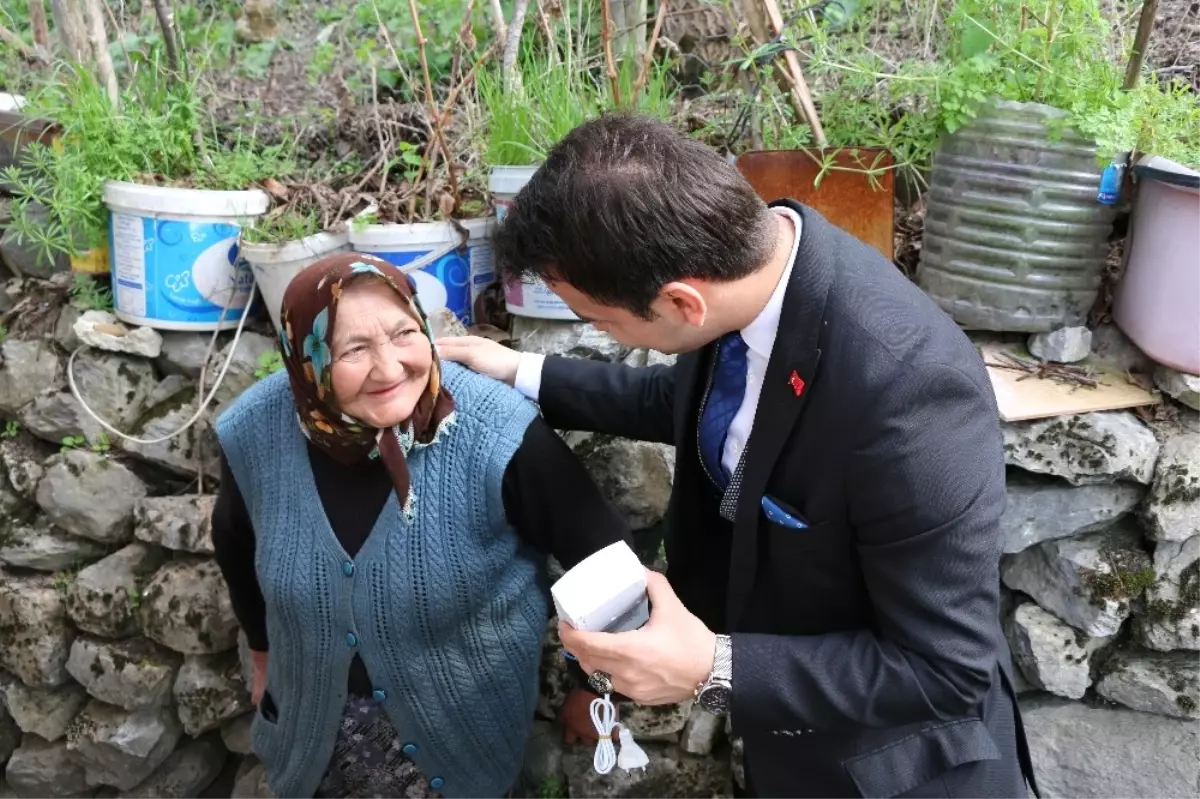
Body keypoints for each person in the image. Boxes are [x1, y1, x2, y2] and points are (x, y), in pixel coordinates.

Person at [438, 113, 1040, 799]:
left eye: (600, 322)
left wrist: (712, 666)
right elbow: (699, 406)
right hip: (790, 754)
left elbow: (944, 671)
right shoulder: (750, 264)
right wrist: (521, 371)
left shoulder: (909, 392)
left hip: (897, 774)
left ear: (680, 302)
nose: (598, 332)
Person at [211, 253, 632, 799]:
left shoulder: (494, 431)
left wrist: (596, 689)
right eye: (354, 349)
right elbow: (235, 543)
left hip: (463, 745)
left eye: (404, 333)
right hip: (311, 741)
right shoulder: (256, 432)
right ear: (307, 358)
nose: (389, 369)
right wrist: (263, 653)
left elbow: (603, 559)